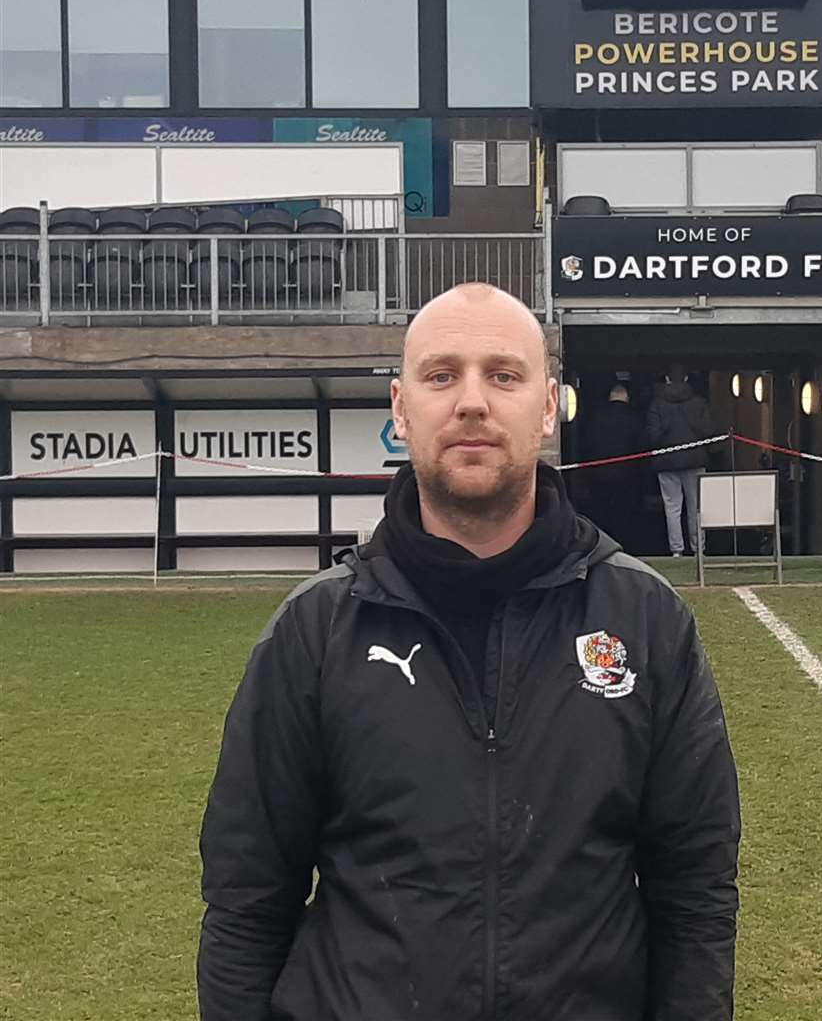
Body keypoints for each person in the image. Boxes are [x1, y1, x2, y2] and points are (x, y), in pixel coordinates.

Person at [197, 283, 741, 1021]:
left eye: (504, 375)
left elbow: (695, 890)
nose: (473, 403)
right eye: (441, 375)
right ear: (400, 406)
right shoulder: (316, 629)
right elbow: (245, 897)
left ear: (547, 407)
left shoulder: (645, 621)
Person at [646, 363, 716, 557]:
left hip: (667, 463)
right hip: (695, 461)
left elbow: (652, 436)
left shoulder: (657, 404)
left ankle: (676, 550)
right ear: (686, 379)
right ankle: (698, 549)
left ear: (666, 379)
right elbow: (709, 432)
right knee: (696, 507)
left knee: (672, 508)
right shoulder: (699, 403)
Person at [583, 382, 643, 549]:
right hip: (627, 471)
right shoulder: (634, 417)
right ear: (627, 397)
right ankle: (622, 544)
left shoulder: (596, 416)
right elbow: (641, 444)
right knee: (623, 511)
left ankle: (601, 544)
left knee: (600, 510)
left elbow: (588, 442)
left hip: (600, 471)